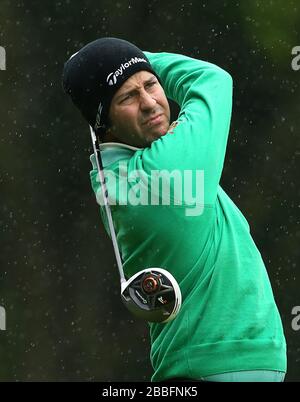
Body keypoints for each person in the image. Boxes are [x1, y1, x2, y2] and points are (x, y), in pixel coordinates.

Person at [62, 37, 287, 382]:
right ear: (103, 122)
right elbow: (212, 80)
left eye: (151, 84)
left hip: (209, 364)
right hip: (223, 365)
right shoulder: (163, 169)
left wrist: (117, 63)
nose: (151, 103)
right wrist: (140, 59)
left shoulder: (118, 177)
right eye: (127, 97)